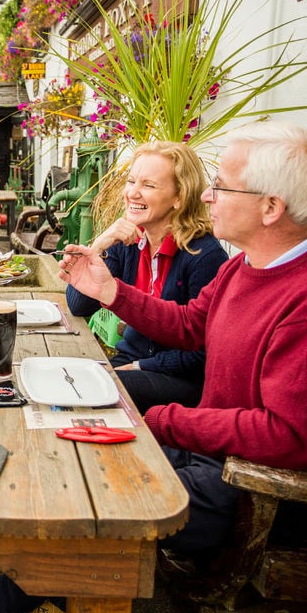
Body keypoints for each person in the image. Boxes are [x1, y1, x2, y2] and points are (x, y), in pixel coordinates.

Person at [0, 122, 307, 613]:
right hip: (218, 457)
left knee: (98, 498)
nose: (207, 195)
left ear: (270, 207)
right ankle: (37, 603)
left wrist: (162, 420)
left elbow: (285, 437)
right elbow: (191, 325)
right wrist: (113, 292)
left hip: (269, 493)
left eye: (222, 185)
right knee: (76, 463)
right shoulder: (251, 267)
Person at [67, 140, 228, 412]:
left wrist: (142, 366)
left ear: (179, 197)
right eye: (131, 182)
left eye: (148, 185)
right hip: (130, 365)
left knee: (92, 393)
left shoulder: (204, 255)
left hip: (182, 379)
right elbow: (79, 305)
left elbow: (205, 353)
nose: (133, 193)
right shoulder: (127, 242)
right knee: (69, 380)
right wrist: (101, 243)